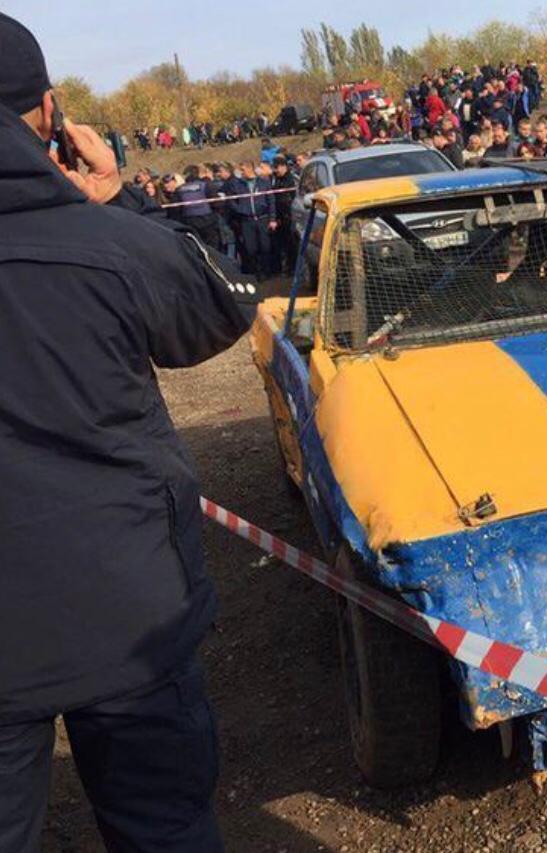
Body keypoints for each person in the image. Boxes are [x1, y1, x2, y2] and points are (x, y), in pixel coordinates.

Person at [0, 13, 254, 852]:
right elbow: (225, 302)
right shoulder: (103, 241)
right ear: (48, 115)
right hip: (128, 613)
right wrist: (121, 196)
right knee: (165, 828)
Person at [226, 161, 277, 280]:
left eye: (243, 170)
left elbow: (271, 201)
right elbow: (231, 200)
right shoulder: (238, 185)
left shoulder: (264, 183)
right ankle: (256, 272)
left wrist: (272, 218)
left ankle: (266, 271)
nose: (241, 173)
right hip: (247, 221)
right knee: (250, 248)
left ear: (250, 169)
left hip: (263, 219)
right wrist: (241, 209)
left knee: (265, 247)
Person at [168, 164, 220, 247]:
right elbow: (217, 203)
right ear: (198, 174)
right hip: (208, 222)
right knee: (212, 248)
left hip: (189, 223)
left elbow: (175, 209)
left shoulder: (180, 189)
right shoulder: (206, 185)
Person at [271, 156, 298, 274]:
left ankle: (295, 267)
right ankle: (290, 267)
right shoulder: (276, 179)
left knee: (293, 243)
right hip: (281, 216)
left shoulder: (291, 179)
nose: (275, 170)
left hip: (291, 215)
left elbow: (294, 197)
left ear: (283, 166)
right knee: (286, 244)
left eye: (277, 168)